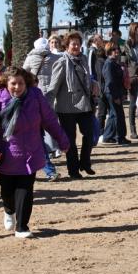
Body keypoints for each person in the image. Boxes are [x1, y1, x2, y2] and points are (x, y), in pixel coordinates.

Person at [0, 67, 69, 238]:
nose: (17, 87)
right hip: (5, 154)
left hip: (30, 153)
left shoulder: (35, 96)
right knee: (7, 191)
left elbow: (50, 120)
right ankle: (8, 210)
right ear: (6, 83)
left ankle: (22, 227)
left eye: (21, 83)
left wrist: (62, 140)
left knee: (25, 190)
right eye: (13, 83)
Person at [45, 31, 98, 179]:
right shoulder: (61, 62)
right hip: (66, 108)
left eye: (78, 43)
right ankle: (73, 170)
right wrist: (46, 107)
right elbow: (53, 87)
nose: (76, 46)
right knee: (70, 140)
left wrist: (93, 84)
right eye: (73, 44)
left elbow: (87, 78)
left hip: (84, 105)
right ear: (67, 46)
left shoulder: (84, 59)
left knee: (89, 134)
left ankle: (85, 163)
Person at [23, 37, 63, 181]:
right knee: (49, 125)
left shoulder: (31, 57)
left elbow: (23, 72)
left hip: (33, 97)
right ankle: (53, 152)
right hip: (50, 95)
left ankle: (48, 165)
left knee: (38, 132)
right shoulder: (54, 57)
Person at [101, 42, 129, 145]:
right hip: (112, 93)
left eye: (117, 49)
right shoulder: (109, 64)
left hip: (115, 92)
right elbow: (110, 82)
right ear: (109, 52)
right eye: (114, 49)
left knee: (113, 114)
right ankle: (120, 137)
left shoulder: (114, 63)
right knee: (118, 115)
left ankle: (107, 136)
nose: (117, 51)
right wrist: (116, 96)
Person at [87, 34, 107, 131]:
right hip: (96, 82)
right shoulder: (91, 50)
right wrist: (92, 81)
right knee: (98, 108)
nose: (102, 40)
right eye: (100, 38)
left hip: (100, 81)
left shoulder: (99, 51)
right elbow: (89, 66)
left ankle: (100, 129)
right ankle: (98, 130)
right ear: (95, 40)